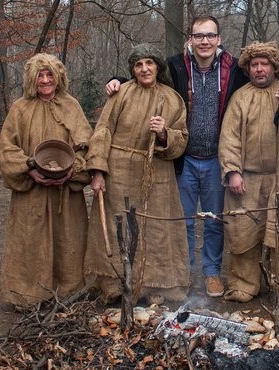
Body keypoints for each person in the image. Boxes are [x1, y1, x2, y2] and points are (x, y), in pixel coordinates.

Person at [105, 16, 249, 298]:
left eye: (210, 36)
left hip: (216, 158)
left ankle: (211, 273)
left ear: (219, 39)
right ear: (190, 40)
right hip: (182, 159)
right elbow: (146, 72)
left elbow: (266, 73)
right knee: (180, 220)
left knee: (214, 220)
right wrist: (116, 80)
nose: (204, 41)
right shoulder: (175, 65)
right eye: (199, 36)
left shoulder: (234, 71)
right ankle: (184, 271)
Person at [84, 43, 189, 305]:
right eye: (138, 65)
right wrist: (98, 171)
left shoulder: (173, 99)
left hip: (158, 175)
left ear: (158, 67)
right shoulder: (121, 94)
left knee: (157, 228)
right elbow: (102, 131)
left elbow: (182, 140)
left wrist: (165, 133)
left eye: (149, 63)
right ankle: (115, 283)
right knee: (117, 225)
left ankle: (157, 286)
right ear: (132, 69)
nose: (144, 69)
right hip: (118, 173)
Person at [0, 53, 93, 309]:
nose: (45, 80)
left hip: (66, 193)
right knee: (30, 242)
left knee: (68, 240)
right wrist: (29, 168)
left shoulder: (71, 106)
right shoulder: (20, 108)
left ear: (59, 76)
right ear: (31, 79)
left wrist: (71, 171)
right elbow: (7, 150)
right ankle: (27, 295)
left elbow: (86, 147)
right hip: (32, 193)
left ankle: (68, 292)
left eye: (50, 74)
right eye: (40, 75)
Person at [218, 41, 279, 303]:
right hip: (248, 178)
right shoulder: (241, 97)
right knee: (242, 234)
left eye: (264, 64)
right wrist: (233, 171)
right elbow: (229, 137)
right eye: (254, 64)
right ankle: (244, 283)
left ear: (274, 67)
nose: (259, 69)